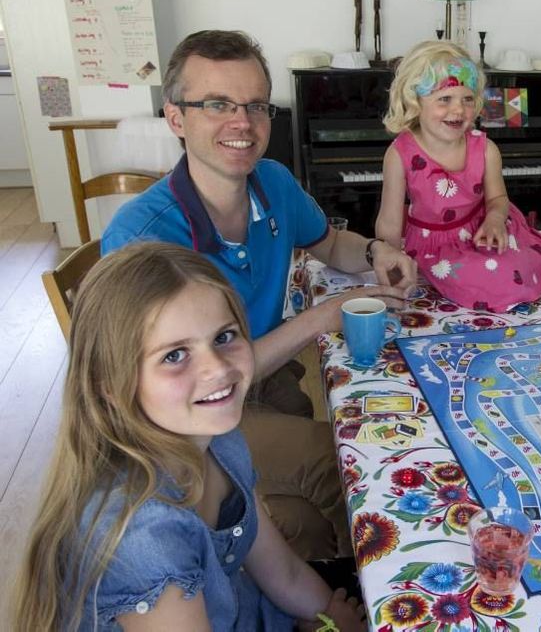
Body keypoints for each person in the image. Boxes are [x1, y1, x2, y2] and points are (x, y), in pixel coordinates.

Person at [103, 30, 416, 561]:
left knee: (305, 519)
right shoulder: (142, 236)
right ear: (176, 118)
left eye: (254, 105)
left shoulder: (272, 181)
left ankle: (325, 591)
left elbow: (331, 242)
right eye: (217, 104)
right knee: (344, 460)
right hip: (186, 421)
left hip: (269, 389)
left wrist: (374, 253)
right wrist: (321, 318)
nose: (242, 123)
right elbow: (168, 386)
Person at [11, 243, 365, 631]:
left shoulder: (220, 440)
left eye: (224, 336)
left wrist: (328, 618)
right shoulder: (144, 537)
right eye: (174, 356)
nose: (217, 368)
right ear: (110, 386)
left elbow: (283, 572)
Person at [376, 40, 541, 312]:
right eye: (445, 99)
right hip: (435, 247)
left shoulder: (485, 149)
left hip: (481, 232)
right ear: (415, 101)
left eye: (467, 99)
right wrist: (390, 262)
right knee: (491, 276)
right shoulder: (399, 153)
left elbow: (497, 198)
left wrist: (495, 220)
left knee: (517, 267)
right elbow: (390, 221)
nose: (458, 110)